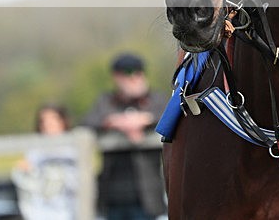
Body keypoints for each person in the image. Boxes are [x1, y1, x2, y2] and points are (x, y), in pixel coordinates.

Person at [82, 53, 166, 220]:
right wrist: (115, 122)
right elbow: (87, 123)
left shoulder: (155, 100)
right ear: (116, 77)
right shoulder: (106, 101)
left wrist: (144, 120)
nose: (135, 77)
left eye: (139, 72)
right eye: (128, 72)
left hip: (148, 195)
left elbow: (170, 117)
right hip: (112, 196)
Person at [11, 104, 78, 220]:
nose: (48, 124)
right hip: (41, 212)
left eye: (53, 119)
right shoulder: (35, 150)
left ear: (63, 121)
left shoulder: (74, 149)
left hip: (68, 211)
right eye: (44, 121)